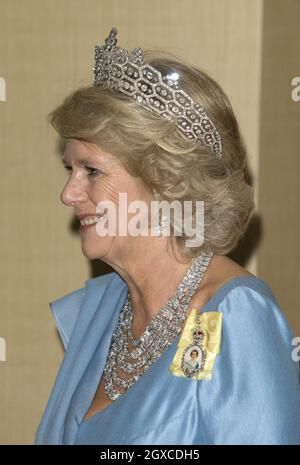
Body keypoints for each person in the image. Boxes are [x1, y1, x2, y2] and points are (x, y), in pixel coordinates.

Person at [35, 27, 300, 445]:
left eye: (92, 171)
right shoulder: (103, 310)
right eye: (71, 170)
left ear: (164, 181)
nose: (68, 193)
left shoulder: (233, 316)